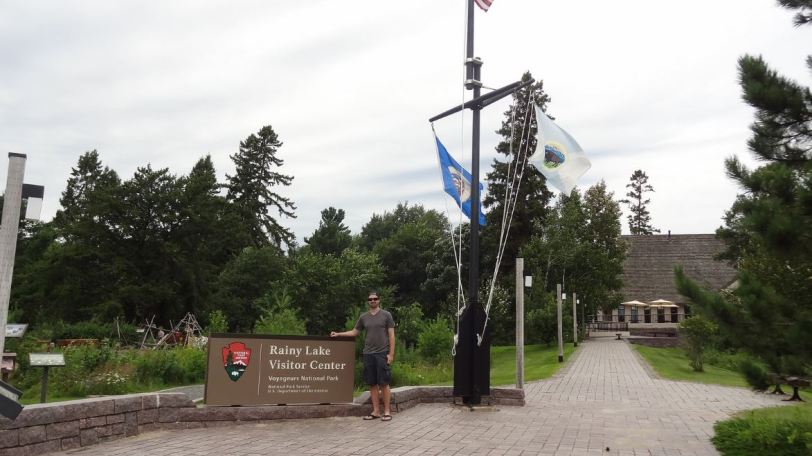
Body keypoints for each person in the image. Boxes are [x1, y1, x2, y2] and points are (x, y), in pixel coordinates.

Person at [331, 291, 395, 422]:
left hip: (382, 353)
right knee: (372, 383)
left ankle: (387, 412)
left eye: (375, 299)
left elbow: (391, 336)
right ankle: (376, 411)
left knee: (384, 383)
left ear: (379, 300)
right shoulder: (363, 317)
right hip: (368, 354)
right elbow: (355, 332)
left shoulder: (386, 315)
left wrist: (391, 354)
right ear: (368, 301)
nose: (372, 301)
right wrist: (338, 334)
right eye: (370, 299)